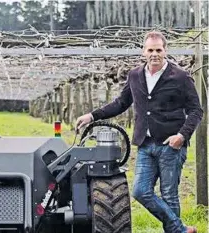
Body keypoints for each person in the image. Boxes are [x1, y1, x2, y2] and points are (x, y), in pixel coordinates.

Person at [76, 31, 202, 233]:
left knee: (169, 195)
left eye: (158, 50)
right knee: (140, 191)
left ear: (165, 51)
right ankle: (180, 229)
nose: (154, 54)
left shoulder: (180, 76)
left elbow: (196, 110)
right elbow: (121, 103)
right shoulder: (135, 75)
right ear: (144, 51)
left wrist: (182, 136)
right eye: (150, 50)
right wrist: (92, 116)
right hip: (145, 144)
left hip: (171, 145)